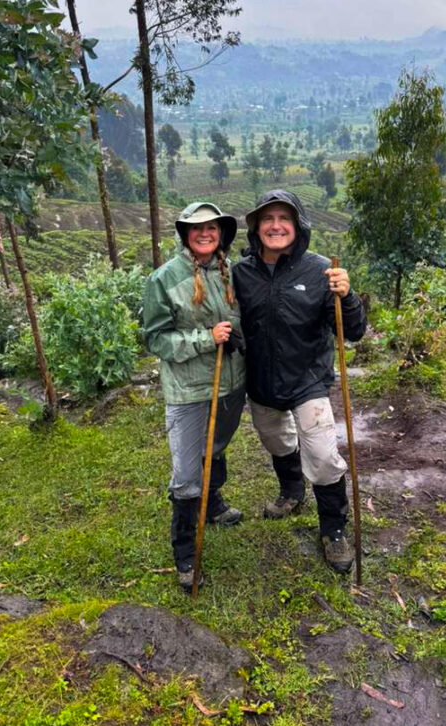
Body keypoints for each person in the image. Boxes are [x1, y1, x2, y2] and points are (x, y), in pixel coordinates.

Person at [232, 189, 366, 573]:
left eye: (284, 219)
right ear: (256, 228)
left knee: (323, 457)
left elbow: (353, 331)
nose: (276, 226)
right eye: (268, 219)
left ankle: (334, 530)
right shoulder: (241, 273)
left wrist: (348, 295)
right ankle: (292, 491)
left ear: (298, 226)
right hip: (261, 382)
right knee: (278, 441)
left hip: (308, 380)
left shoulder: (322, 271)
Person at [143, 202, 245, 592]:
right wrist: (206, 339)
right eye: (196, 228)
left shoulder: (230, 272)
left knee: (215, 445)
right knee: (187, 471)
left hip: (231, 384)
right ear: (185, 233)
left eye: (212, 228)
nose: (205, 234)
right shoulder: (165, 279)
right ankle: (185, 551)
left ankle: (213, 501)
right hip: (189, 390)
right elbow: (155, 337)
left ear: (221, 233)